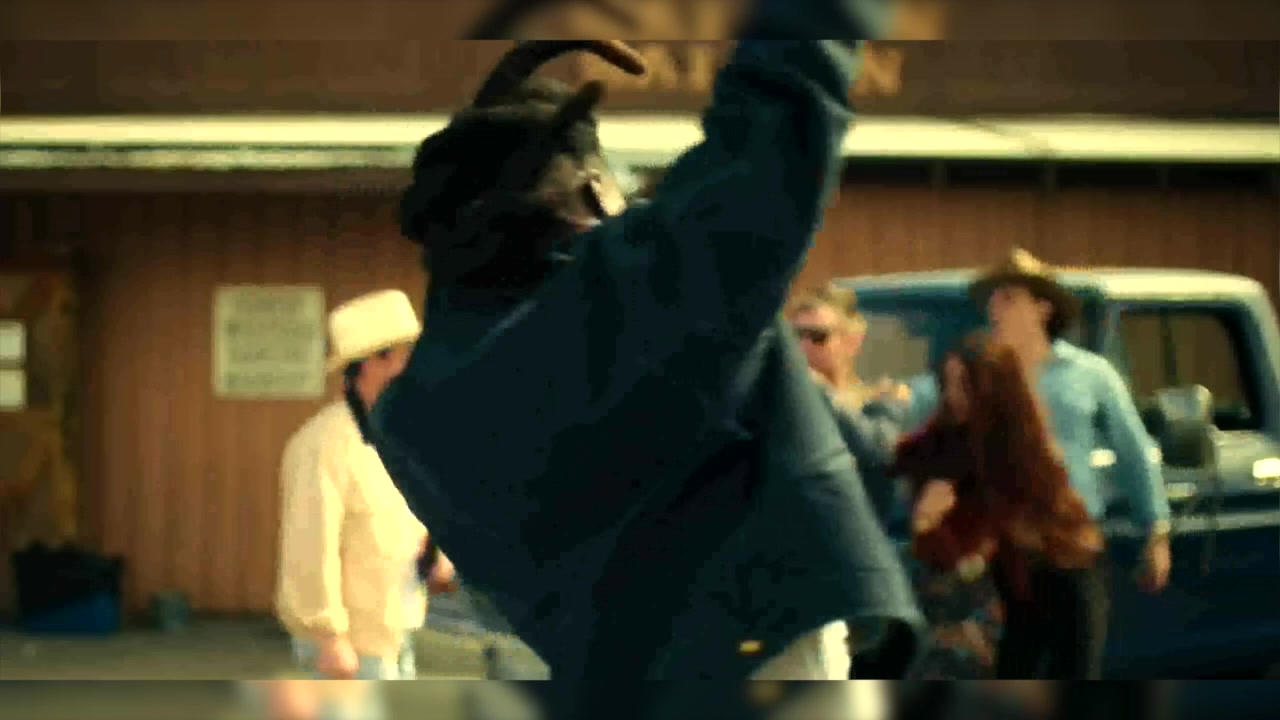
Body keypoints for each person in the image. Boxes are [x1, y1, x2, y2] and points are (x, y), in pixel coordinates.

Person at [365, 2, 924, 718]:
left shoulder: (412, 414)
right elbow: (772, 137)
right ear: (593, 193)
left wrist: (496, 136)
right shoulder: (631, 312)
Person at [903, 248, 1172, 679]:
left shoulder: (1090, 374)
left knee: (1077, 663)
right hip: (999, 551)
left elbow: (1134, 451)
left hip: (1071, 544)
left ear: (1043, 306)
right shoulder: (978, 370)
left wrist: (1155, 531)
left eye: (1008, 297)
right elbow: (917, 403)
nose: (995, 308)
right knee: (1013, 666)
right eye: (992, 299)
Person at [899, 335, 1106, 679]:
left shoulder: (1026, 454)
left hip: (1056, 583)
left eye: (965, 385)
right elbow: (944, 559)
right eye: (948, 383)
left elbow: (1054, 539)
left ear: (994, 391)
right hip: (990, 603)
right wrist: (928, 523)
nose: (953, 396)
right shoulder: (938, 449)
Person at [275, 289, 455, 681]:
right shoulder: (324, 445)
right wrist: (328, 638)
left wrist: (436, 559)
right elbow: (310, 547)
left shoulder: (394, 436)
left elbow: (409, 516)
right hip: (350, 649)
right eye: (406, 355)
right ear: (375, 361)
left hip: (393, 632)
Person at [788, 283, 910, 528]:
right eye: (795, 336)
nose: (803, 347)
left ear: (851, 341)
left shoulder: (881, 399)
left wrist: (820, 392)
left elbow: (878, 450)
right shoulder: (790, 400)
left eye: (818, 337)